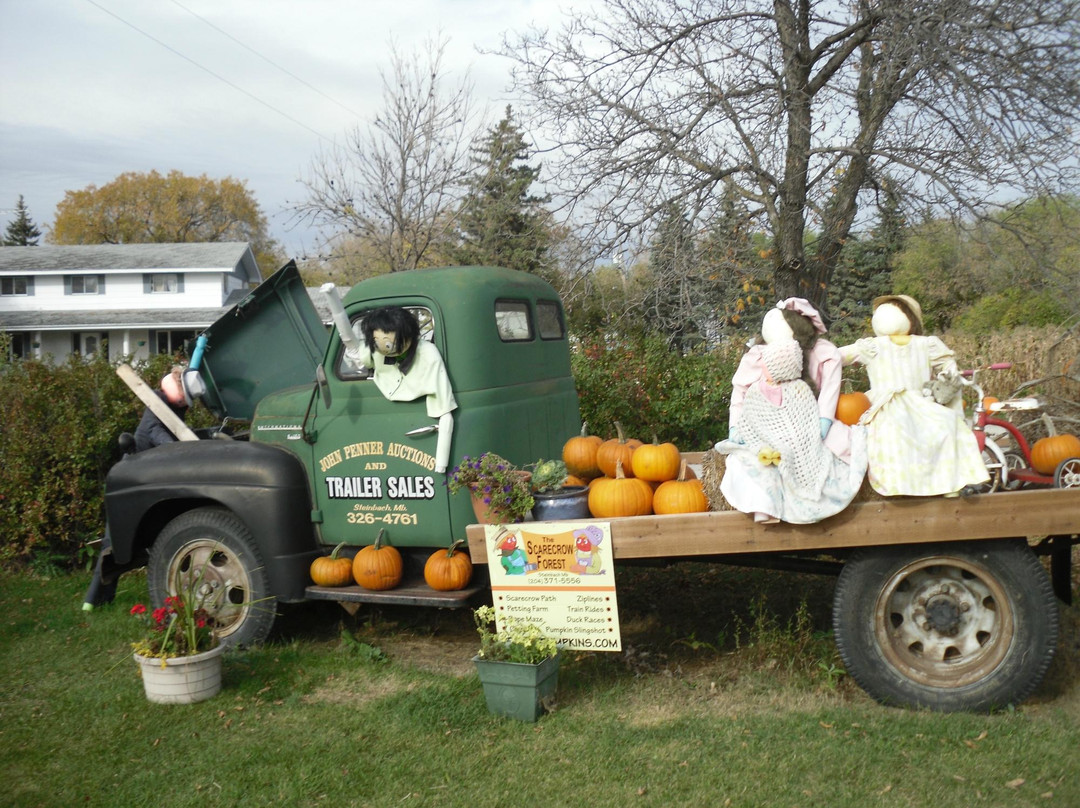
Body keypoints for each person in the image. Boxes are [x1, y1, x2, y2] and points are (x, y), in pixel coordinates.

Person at [839, 295, 989, 497]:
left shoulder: (925, 345)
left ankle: (946, 482)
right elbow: (838, 356)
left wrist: (947, 378)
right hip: (885, 404)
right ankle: (897, 485)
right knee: (890, 432)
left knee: (945, 424)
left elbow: (947, 363)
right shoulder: (872, 346)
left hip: (920, 401)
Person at [715, 338, 867, 524]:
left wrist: (796, 441)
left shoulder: (799, 389)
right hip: (765, 441)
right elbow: (751, 420)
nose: (761, 365)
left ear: (779, 366)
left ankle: (795, 500)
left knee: (799, 456)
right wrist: (754, 438)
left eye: (766, 362)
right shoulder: (756, 391)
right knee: (760, 469)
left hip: (794, 441)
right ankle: (764, 509)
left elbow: (806, 419)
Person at [83, 367, 190, 610]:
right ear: (175, 391)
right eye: (183, 396)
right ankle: (93, 601)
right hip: (132, 481)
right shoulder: (157, 409)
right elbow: (162, 437)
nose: (186, 402)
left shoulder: (170, 406)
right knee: (114, 542)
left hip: (149, 481)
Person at [134, 365, 189, 451]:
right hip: (141, 455)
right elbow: (153, 429)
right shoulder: (158, 398)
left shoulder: (179, 408)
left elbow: (178, 430)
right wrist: (173, 447)